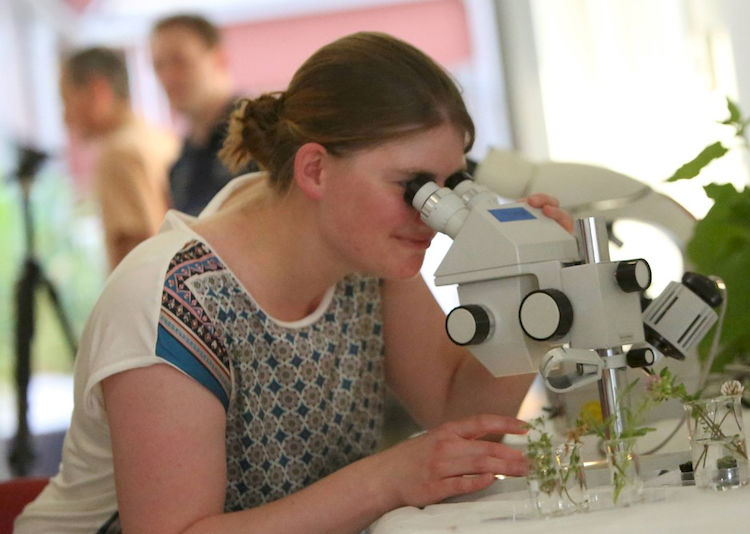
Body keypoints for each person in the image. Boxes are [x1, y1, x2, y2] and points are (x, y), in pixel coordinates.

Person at [16, 32, 573, 533]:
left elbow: (461, 420)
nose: (433, 213)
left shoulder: (367, 262)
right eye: (413, 186)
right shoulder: (173, 301)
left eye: (449, 186)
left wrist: (536, 294)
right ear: (315, 170)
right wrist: (383, 480)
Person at [60, 46, 178, 270]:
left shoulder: (117, 155)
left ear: (98, 91)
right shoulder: (160, 138)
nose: (65, 117)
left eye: (66, 99)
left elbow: (136, 251)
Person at [150, 13, 246, 216]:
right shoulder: (180, 166)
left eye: (180, 60)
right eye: (158, 65)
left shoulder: (259, 136)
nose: (168, 76)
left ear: (219, 58)